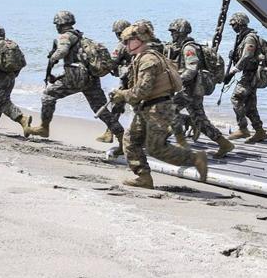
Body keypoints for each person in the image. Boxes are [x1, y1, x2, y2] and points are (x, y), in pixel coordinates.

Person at [110, 23, 208, 189]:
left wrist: (122, 95)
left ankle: (195, 158)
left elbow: (141, 91)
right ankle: (143, 177)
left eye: (129, 41)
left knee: (156, 148)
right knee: (130, 141)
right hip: (148, 107)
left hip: (158, 109)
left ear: (139, 40)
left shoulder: (148, 60)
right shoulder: (141, 57)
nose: (125, 45)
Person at [26, 11, 124, 146]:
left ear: (59, 24)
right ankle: (121, 137)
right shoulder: (80, 36)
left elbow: (62, 51)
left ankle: (44, 127)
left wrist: (53, 58)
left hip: (76, 77)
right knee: (100, 108)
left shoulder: (65, 36)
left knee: (48, 95)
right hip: (91, 77)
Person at [166, 18, 234, 159]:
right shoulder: (185, 46)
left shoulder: (189, 48)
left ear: (181, 32)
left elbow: (191, 70)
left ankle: (168, 141)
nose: (172, 35)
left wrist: (176, 82)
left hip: (188, 90)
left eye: (174, 32)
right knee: (200, 120)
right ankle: (224, 143)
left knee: (167, 112)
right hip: (193, 90)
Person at [224, 12, 267, 143]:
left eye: (234, 25)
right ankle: (260, 132)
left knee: (236, 98)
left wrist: (232, 71)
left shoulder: (249, 38)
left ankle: (243, 128)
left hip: (251, 75)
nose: (233, 28)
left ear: (240, 24)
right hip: (248, 74)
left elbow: (247, 56)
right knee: (249, 105)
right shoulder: (242, 37)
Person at [97, 19, 131, 151]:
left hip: (127, 81)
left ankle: (110, 132)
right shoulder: (140, 42)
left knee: (116, 104)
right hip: (140, 81)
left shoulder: (122, 45)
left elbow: (112, 62)